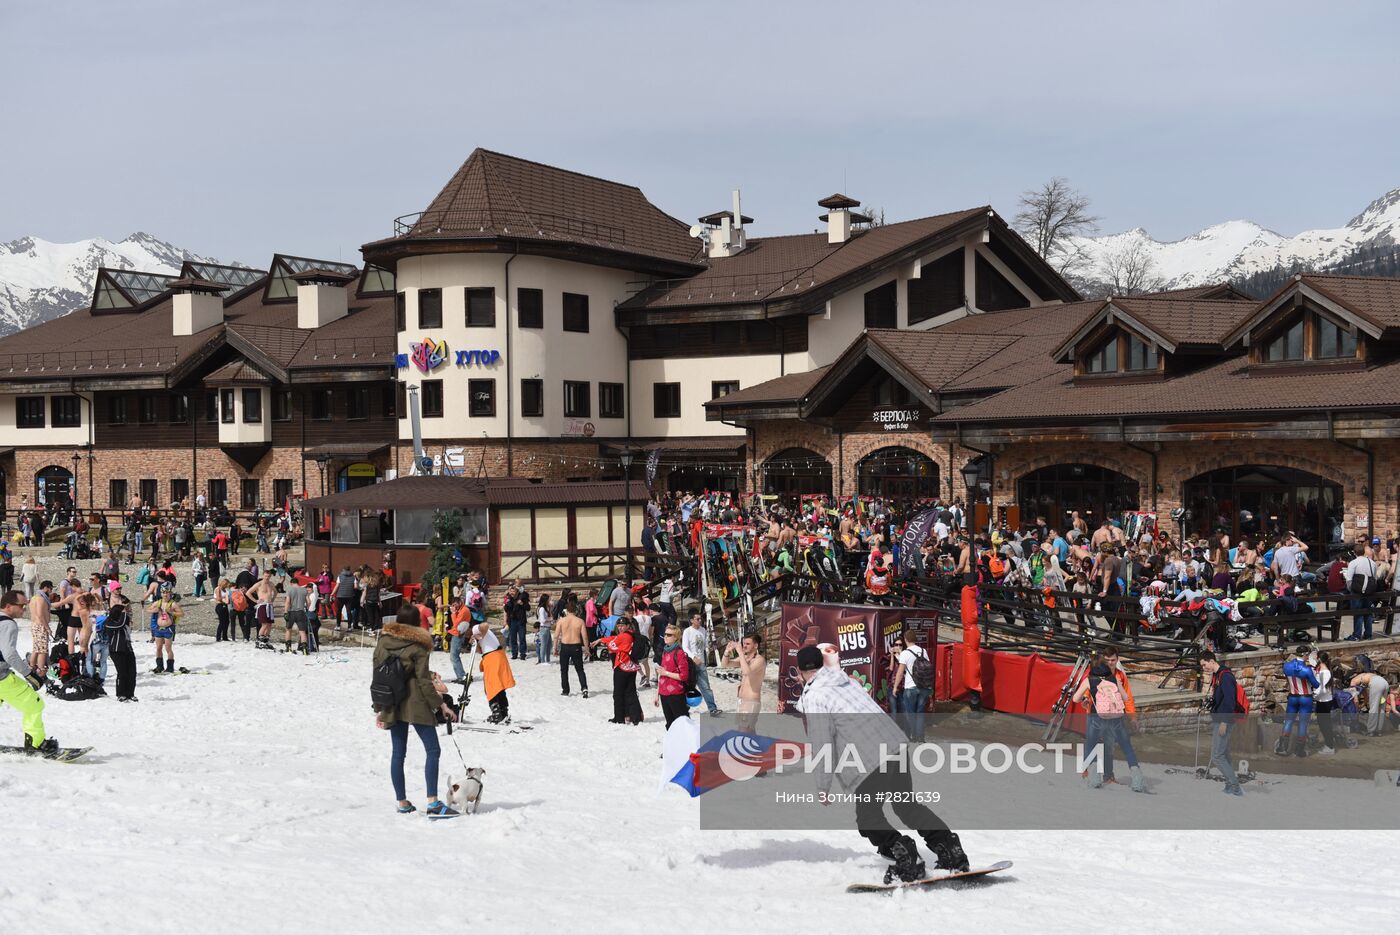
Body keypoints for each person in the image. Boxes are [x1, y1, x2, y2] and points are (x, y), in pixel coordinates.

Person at [795, 644, 968, 883]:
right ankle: (951, 852)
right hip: (895, 744)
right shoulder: (845, 680)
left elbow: (822, 741)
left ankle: (908, 860)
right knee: (906, 805)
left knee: (869, 819)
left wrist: (823, 786)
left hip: (869, 758)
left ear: (800, 672)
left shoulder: (816, 695)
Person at [373, 606, 458, 817]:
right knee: (432, 750)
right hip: (415, 702)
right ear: (417, 623)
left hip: (392, 701)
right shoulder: (419, 646)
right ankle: (433, 803)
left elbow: (378, 675)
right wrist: (441, 705)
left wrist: (379, 708)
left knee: (398, 754)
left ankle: (402, 802)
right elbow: (424, 682)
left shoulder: (383, 641)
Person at [1071, 660, 1146, 792]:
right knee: (1127, 748)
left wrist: (1087, 699)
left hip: (1097, 718)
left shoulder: (1089, 680)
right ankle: (1137, 779)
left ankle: (1094, 779)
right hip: (1116, 719)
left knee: (1092, 746)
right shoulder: (1114, 678)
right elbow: (1125, 697)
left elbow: (1075, 699)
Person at [0, 590, 58, 756]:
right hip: (2, 678)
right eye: (22, 606)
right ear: (9, 606)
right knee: (34, 704)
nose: (24, 609)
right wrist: (29, 674)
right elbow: (9, 653)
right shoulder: (8, 624)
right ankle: (35, 743)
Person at [1200, 651, 1243, 795]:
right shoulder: (1217, 675)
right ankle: (1230, 784)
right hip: (1219, 718)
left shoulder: (1225, 677)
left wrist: (1225, 721)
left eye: (1204, 664)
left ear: (1211, 661)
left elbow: (1230, 701)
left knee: (1217, 756)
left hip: (1225, 720)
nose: (1204, 668)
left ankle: (1234, 785)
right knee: (1224, 754)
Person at [594, 617, 643, 725]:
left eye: (622, 626)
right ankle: (636, 717)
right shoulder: (631, 634)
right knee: (631, 692)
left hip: (622, 667)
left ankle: (619, 717)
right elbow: (614, 638)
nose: (620, 628)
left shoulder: (624, 636)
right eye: (618, 626)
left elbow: (612, 644)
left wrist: (603, 641)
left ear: (627, 626)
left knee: (618, 694)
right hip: (631, 667)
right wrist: (601, 639)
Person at [472, 614, 516, 724]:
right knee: (498, 686)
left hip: (492, 658)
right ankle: (503, 711)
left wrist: (478, 636)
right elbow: (480, 650)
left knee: (490, 687)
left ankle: (497, 713)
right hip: (497, 656)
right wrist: (475, 643)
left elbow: (486, 625)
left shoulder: (475, 628)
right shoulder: (476, 634)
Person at [1276, 647, 1318, 756]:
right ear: (1304, 655)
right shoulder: (1307, 669)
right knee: (1303, 722)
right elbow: (1316, 685)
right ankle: (1299, 750)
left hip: (1293, 697)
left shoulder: (1286, 666)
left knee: (1289, 720)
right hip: (1305, 698)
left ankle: (1282, 748)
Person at [891, 629, 931, 742]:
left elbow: (900, 673)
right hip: (923, 687)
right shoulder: (923, 651)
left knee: (910, 712)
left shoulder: (905, 653)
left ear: (905, 640)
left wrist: (895, 687)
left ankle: (912, 735)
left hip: (910, 687)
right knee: (920, 712)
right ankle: (920, 736)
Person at [722, 632, 765, 733]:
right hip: (743, 701)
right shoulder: (745, 658)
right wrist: (727, 651)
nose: (744, 646)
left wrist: (740, 652)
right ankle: (757, 748)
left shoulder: (760, 660)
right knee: (749, 731)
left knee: (743, 732)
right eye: (744, 643)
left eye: (748, 644)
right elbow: (725, 664)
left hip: (751, 702)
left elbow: (747, 672)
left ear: (756, 645)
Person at [681, 612, 722, 717]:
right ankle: (684, 709)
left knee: (706, 687)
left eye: (700, 619)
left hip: (701, 663)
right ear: (691, 620)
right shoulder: (687, 631)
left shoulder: (703, 630)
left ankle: (712, 708)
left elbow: (704, 646)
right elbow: (685, 647)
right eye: (697, 619)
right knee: (689, 687)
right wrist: (693, 657)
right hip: (691, 664)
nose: (700, 620)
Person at [655, 624, 691, 728]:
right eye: (665, 634)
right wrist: (657, 694)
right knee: (670, 724)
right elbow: (661, 673)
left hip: (676, 694)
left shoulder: (679, 653)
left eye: (669, 635)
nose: (665, 636)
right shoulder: (665, 651)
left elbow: (684, 676)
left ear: (676, 637)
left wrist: (666, 673)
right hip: (664, 693)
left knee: (682, 724)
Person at [104, 594, 138, 702]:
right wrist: (123, 613)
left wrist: (126, 610)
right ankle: (121, 694)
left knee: (132, 673)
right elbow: (120, 625)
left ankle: (130, 693)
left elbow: (126, 622)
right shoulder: (109, 622)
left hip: (128, 649)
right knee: (122, 672)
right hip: (116, 650)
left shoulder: (125, 621)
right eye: (123, 612)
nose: (126, 614)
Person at [555, 597, 588, 698]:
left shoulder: (561, 621)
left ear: (567, 610)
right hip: (576, 646)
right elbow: (585, 636)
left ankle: (565, 690)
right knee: (580, 669)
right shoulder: (580, 621)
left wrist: (554, 648)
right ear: (576, 610)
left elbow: (556, 635)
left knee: (564, 670)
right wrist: (587, 648)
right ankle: (584, 688)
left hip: (565, 646)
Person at [150, 582, 182, 673]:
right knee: (158, 648)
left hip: (168, 628)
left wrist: (171, 612)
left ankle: (170, 667)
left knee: (168, 648)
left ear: (170, 593)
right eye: (163, 592)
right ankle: (159, 666)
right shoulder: (158, 603)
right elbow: (149, 609)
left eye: (167, 592)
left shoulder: (173, 604)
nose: (165, 594)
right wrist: (154, 610)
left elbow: (181, 613)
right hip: (158, 628)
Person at [1311, 650, 1338, 755]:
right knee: (1322, 723)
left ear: (1318, 659)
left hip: (1324, 701)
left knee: (1325, 724)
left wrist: (1314, 696)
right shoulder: (1321, 670)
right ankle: (1328, 744)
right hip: (1321, 700)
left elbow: (1322, 689)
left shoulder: (1325, 672)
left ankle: (1330, 746)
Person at [1351, 670, 1391, 736]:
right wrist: (1363, 705)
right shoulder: (1364, 678)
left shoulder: (1353, 681)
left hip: (1376, 683)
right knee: (1381, 708)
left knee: (1373, 708)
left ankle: (1371, 731)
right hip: (1385, 683)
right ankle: (1379, 730)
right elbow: (1366, 697)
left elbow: (1356, 700)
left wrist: (1357, 707)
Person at [26, 580, 52, 672]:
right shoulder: (41, 599)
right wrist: (47, 627)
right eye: (50, 589)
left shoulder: (33, 598)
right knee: (42, 650)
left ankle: (32, 666)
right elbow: (40, 614)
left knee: (36, 648)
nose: (50, 591)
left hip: (35, 625)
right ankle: (41, 669)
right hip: (41, 625)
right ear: (46, 588)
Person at [249, 569, 278, 649]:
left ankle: (266, 641)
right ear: (263, 576)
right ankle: (259, 641)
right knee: (264, 624)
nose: (267, 578)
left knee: (269, 624)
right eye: (265, 576)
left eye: (268, 576)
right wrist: (256, 600)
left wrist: (272, 599)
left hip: (269, 605)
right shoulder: (259, 584)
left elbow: (275, 592)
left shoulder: (271, 584)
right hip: (262, 605)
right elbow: (248, 592)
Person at [503, 582, 530, 660]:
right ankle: (514, 654)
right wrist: (507, 604)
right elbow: (506, 610)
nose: (512, 593)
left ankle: (522, 654)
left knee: (522, 638)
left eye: (513, 591)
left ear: (517, 592)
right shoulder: (509, 599)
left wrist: (522, 604)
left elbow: (528, 608)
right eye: (511, 591)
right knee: (513, 638)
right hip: (512, 621)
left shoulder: (522, 598)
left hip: (521, 621)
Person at [535, 593, 553, 664]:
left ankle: (547, 660)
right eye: (549, 599)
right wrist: (550, 619)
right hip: (544, 628)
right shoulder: (542, 609)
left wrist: (550, 609)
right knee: (543, 645)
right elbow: (542, 620)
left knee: (549, 645)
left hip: (547, 628)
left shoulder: (546, 608)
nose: (550, 601)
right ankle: (542, 661)